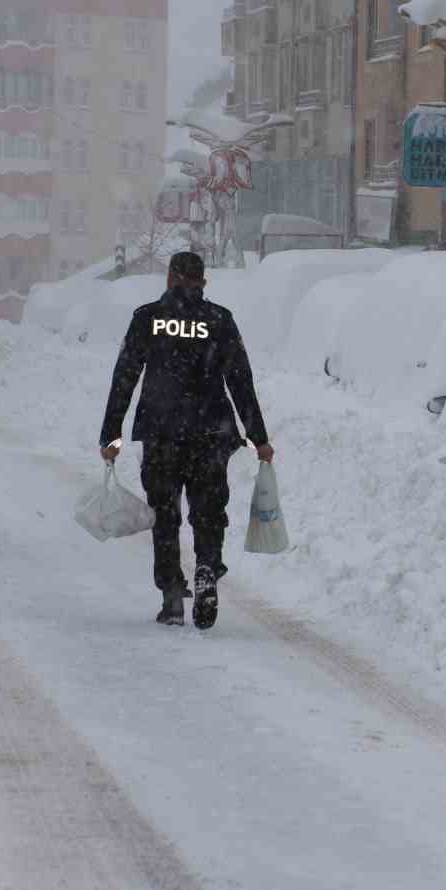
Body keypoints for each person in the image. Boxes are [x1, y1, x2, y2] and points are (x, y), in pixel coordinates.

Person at [99, 251, 274, 629]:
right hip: (211, 434)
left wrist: (111, 435)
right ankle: (207, 567)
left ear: (170, 279)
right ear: (202, 282)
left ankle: (173, 596)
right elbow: (241, 382)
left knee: (165, 516)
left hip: (163, 434)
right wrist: (258, 436)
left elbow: (124, 378)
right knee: (209, 513)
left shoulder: (148, 318)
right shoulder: (219, 320)